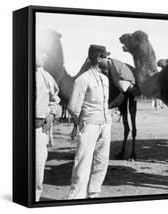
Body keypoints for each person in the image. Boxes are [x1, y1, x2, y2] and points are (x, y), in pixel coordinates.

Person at [67, 44, 112, 199]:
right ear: (98, 59)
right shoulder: (83, 79)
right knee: (83, 162)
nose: (107, 60)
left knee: (102, 161)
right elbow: (73, 106)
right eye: (105, 57)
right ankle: (76, 198)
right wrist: (83, 123)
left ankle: (94, 193)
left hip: (105, 125)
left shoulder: (105, 79)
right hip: (89, 125)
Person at [35, 51, 60, 201]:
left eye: (45, 54)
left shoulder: (46, 76)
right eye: (40, 53)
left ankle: (35, 201)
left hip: (38, 130)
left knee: (37, 170)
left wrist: (51, 113)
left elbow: (55, 99)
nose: (44, 57)